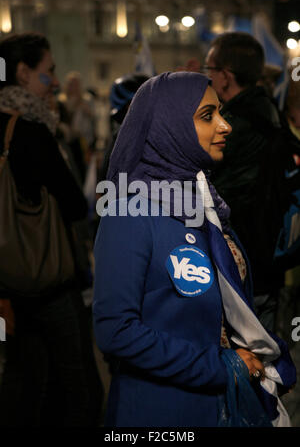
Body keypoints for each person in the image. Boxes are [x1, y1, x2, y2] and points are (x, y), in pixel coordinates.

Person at [93, 71, 295, 427]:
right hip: (163, 412)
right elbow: (116, 331)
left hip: (222, 406)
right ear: (168, 127)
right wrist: (219, 366)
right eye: (207, 115)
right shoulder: (130, 213)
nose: (225, 126)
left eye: (221, 112)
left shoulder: (205, 204)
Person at [0, 32, 103, 426]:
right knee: (78, 383)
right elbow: (76, 203)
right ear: (23, 74)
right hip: (49, 279)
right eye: (49, 72)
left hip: (7, 284)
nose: (55, 83)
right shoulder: (32, 129)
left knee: (21, 375)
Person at [205, 32, 284, 331]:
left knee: (246, 361)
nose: (207, 78)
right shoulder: (266, 110)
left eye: (209, 70)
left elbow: (214, 192)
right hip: (265, 259)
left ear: (224, 77)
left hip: (242, 263)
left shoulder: (234, 126)